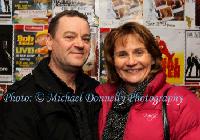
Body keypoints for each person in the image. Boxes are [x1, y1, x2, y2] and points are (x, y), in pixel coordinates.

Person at [0, 10, 101, 140]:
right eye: (69, 37)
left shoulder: (96, 90)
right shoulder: (20, 97)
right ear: (49, 41)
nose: (80, 44)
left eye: (86, 39)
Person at [96, 22, 200, 140]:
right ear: (113, 61)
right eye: (122, 54)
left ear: (153, 58)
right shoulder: (102, 99)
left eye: (139, 52)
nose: (131, 62)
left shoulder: (182, 102)